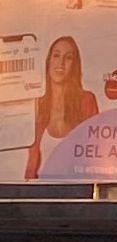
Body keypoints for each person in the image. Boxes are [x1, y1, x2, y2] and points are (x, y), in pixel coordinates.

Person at [25, 35, 95, 178]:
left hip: (75, 191)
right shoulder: (36, 105)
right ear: (48, 61)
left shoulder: (87, 101)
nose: (61, 63)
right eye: (56, 56)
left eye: (68, 58)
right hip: (39, 190)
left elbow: (94, 153)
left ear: (74, 65)